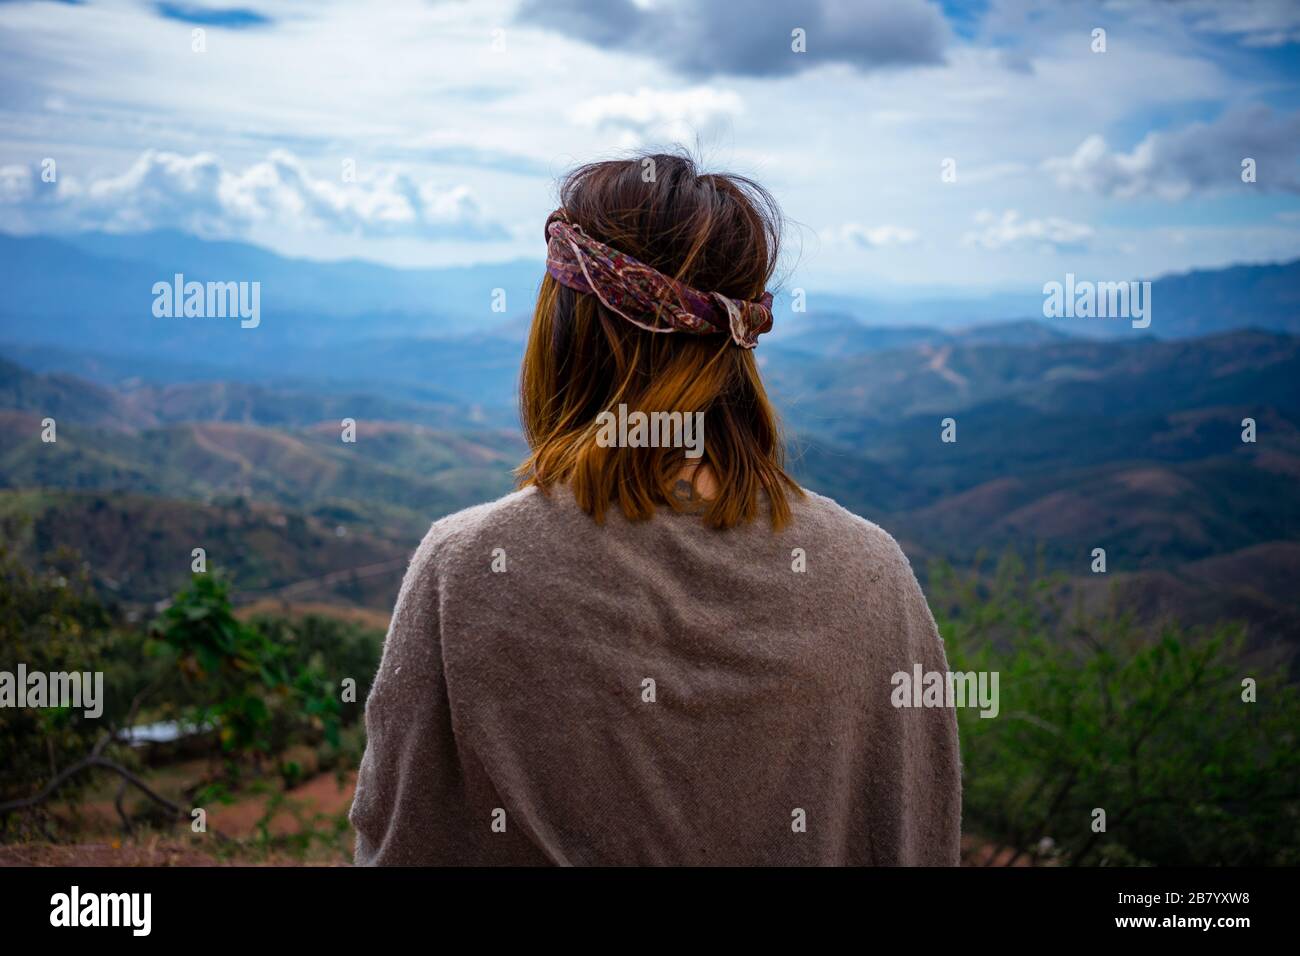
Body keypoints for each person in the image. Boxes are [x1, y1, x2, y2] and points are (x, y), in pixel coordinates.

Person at [349, 152, 961, 865]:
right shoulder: (870, 575)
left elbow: (398, 846)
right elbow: (918, 835)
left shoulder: (466, 570)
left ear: (569, 333)